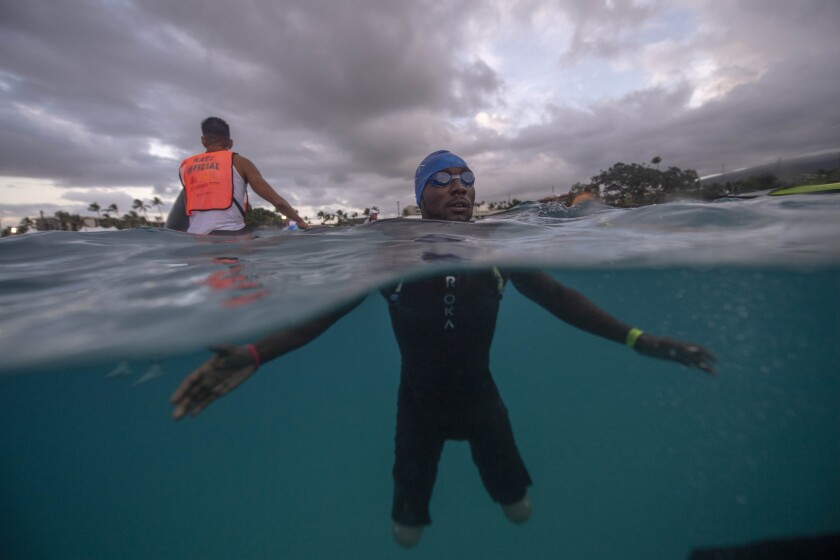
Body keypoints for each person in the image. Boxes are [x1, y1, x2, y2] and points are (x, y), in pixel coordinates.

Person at [170, 150, 717, 547]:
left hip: (484, 405)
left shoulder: (498, 249)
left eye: (466, 177)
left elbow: (562, 300)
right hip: (419, 412)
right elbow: (319, 320)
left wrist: (641, 341)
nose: (459, 186)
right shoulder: (390, 258)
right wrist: (254, 354)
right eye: (442, 179)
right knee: (406, 536)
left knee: (520, 512)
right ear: (420, 196)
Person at [172, 117, 310, 235]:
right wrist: (300, 221)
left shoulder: (186, 167)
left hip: (194, 238)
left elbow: (188, 207)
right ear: (230, 143)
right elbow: (277, 202)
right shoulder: (240, 162)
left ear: (203, 141)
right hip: (231, 236)